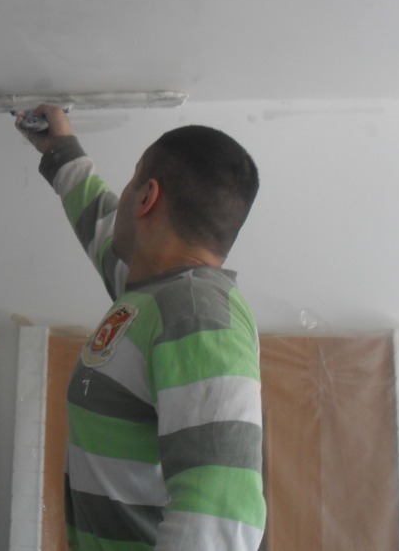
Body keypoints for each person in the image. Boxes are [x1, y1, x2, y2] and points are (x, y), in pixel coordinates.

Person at [15, 104, 266, 551]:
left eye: (131, 182)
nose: (124, 196)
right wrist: (59, 148)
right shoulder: (155, 300)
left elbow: (220, 514)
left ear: (147, 197)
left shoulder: (195, 315)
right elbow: (102, 228)